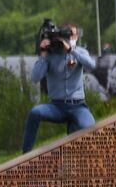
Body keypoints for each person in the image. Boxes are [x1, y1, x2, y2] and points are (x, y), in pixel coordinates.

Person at [22, 22, 97, 153]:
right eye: (67, 35)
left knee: (90, 127)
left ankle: (72, 148)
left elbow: (92, 66)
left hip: (78, 106)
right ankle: (25, 154)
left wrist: (71, 50)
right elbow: (34, 77)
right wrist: (43, 55)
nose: (70, 38)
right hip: (57, 106)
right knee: (35, 112)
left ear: (76, 38)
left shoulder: (80, 52)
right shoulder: (51, 55)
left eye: (73, 35)